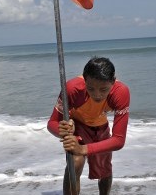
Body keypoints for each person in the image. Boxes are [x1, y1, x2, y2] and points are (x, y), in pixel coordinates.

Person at [47, 56, 130, 195]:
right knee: (75, 163)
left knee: (104, 170)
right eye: (90, 88)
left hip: (100, 126)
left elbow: (119, 140)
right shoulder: (71, 88)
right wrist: (62, 131)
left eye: (104, 90)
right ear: (84, 80)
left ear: (113, 82)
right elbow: (52, 123)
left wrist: (84, 148)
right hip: (77, 125)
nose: (97, 95)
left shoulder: (121, 92)